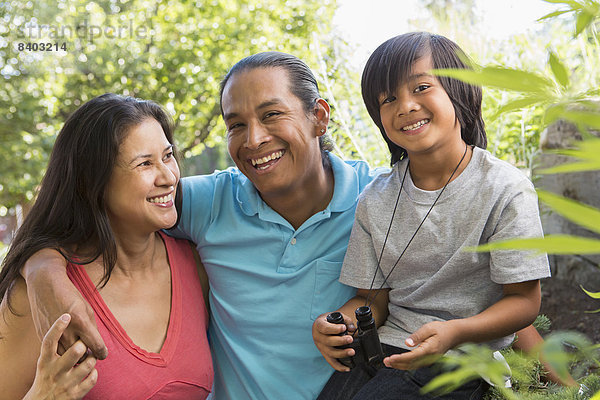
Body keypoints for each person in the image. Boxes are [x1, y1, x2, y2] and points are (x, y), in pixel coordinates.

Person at [22, 53, 548, 400]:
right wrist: (43, 271)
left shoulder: (380, 199)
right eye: (236, 125)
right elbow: (98, 200)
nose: (253, 139)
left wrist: (556, 374)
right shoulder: (206, 202)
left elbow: (472, 287)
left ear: (319, 117)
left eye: (273, 115)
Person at [312, 32, 551, 400]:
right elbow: (372, 301)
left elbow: (523, 302)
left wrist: (455, 331)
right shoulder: (374, 199)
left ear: (461, 91)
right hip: (387, 348)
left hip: (463, 357)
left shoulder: (505, 189)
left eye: (421, 87)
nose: (405, 106)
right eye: (388, 99)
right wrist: (338, 323)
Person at [0, 94, 213, 399]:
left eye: (167, 156)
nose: (169, 176)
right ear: (94, 182)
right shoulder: (45, 295)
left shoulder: (195, 264)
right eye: (144, 164)